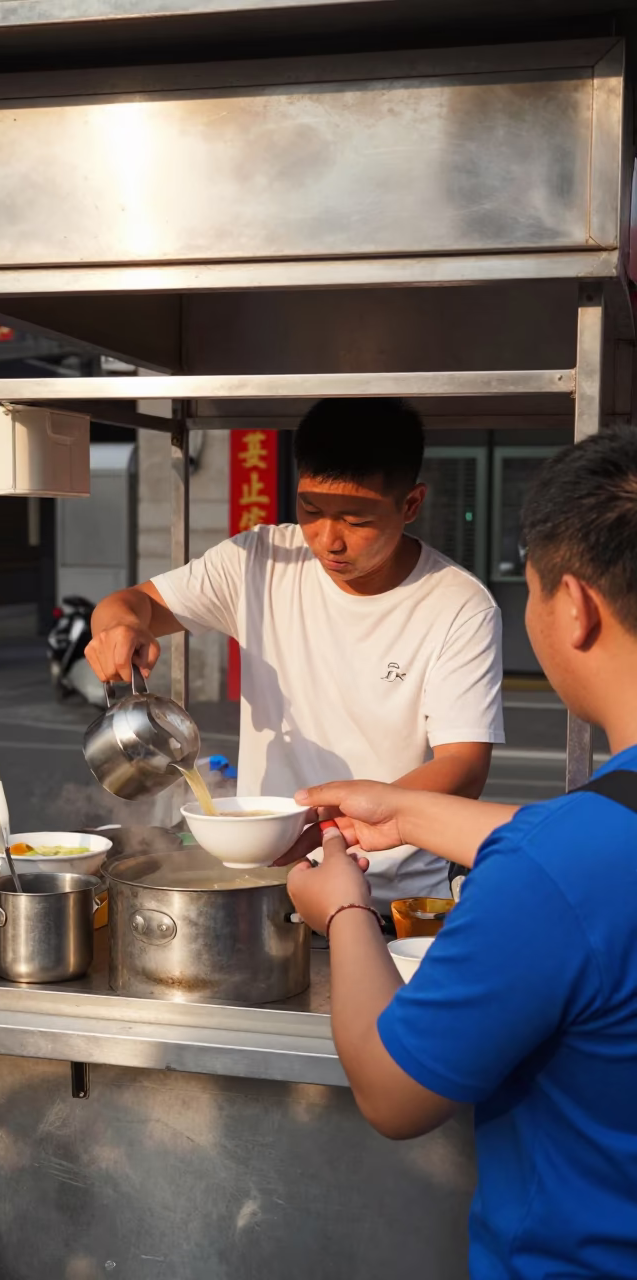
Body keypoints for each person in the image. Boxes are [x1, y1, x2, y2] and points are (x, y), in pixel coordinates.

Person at [287, 423, 637, 1280]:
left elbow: (393, 1092)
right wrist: (406, 810)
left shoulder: (554, 874)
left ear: (575, 607)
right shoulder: (575, 853)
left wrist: (343, 911)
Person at [86, 398, 504, 905]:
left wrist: (346, 819)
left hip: (392, 895)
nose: (328, 540)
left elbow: (463, 766)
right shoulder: (261, 560)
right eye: (311, 510)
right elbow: (129, 604)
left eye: (357, 519)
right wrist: (120, 626)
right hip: (263, 883)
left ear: (411, 504)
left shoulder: (457, 605)